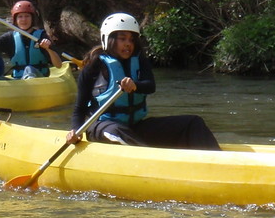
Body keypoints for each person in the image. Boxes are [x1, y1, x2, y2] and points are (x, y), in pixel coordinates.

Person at [69, 12, 221, 150]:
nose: (128, 44)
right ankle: (153, 161)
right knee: (117, 132)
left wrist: (135, 85)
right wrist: (76, 131)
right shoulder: (93, 66)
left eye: (131, 39)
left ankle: (216, 159)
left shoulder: (140, 61)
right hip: (102, 127)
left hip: (135, 127)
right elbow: (79, 108)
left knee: (193, 122)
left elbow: (150, 86)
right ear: (108, 39)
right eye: (122, 39)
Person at [0, 0, 63, 78]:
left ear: (32, 18)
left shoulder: (42, 36)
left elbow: (58, 65)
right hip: (19, 80)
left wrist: (49, 49)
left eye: (27, 16)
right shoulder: (10, 37)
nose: (23, 19)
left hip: (39, 78)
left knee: (29, 69)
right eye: (20, 16)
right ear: (16, 20)